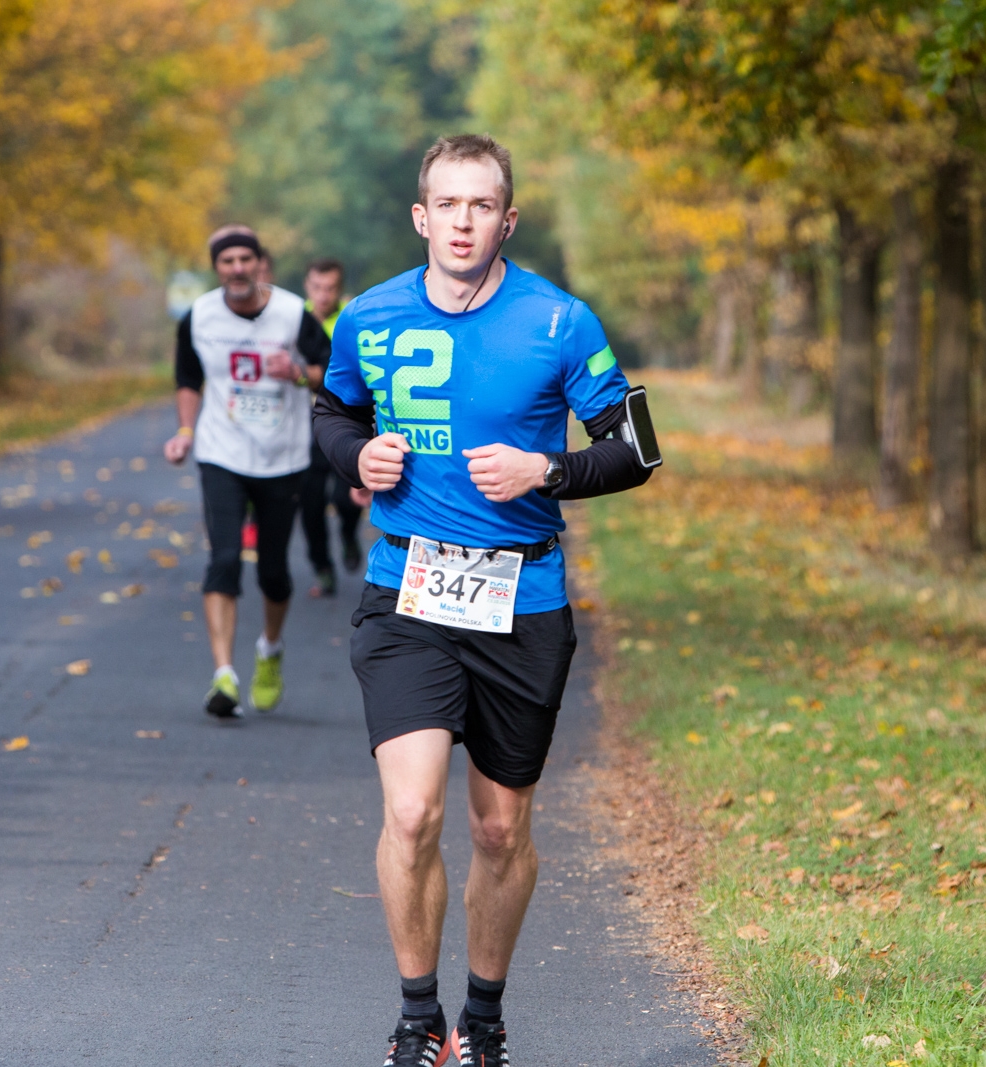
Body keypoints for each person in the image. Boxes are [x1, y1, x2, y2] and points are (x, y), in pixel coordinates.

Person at [312, 135, 653, 1066]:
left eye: (481, 206)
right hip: (409, 592)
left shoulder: (560, 320)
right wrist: (357, 456)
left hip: (523, 596)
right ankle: (419, 1018)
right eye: (447, 205)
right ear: (421, 216)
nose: (463, 222)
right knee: (413, 814)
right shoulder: (368, 316)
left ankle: (486, 1021)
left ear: (508, 219)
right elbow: (334, 413)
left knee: (499, 827)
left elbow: (637, 450)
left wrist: (548, 467)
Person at [164, 225, 331, 718]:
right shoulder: (199, 317)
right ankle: (224, 676)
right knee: (224, 558)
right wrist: (185, 431)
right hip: (221, 451)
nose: (237, 268)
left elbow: (334, 372)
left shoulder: (292, 314)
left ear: (259, 264)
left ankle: (269, 650)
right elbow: (189, 379)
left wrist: (299, 373)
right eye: (227, 261)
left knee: (275, 572)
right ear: (216, 268)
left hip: (283, 457)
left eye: (245, 260)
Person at [299, 257, 364, 597]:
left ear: (339, 289)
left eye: (331, 288)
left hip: (344, 422)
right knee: (309, 504)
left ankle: (350, 535)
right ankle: (322, 568)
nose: (324, 295)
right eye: (317, 287)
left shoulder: (352, 319)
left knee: (345, 496)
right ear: (307, 286)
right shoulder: (294, 320)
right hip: (302, 428)